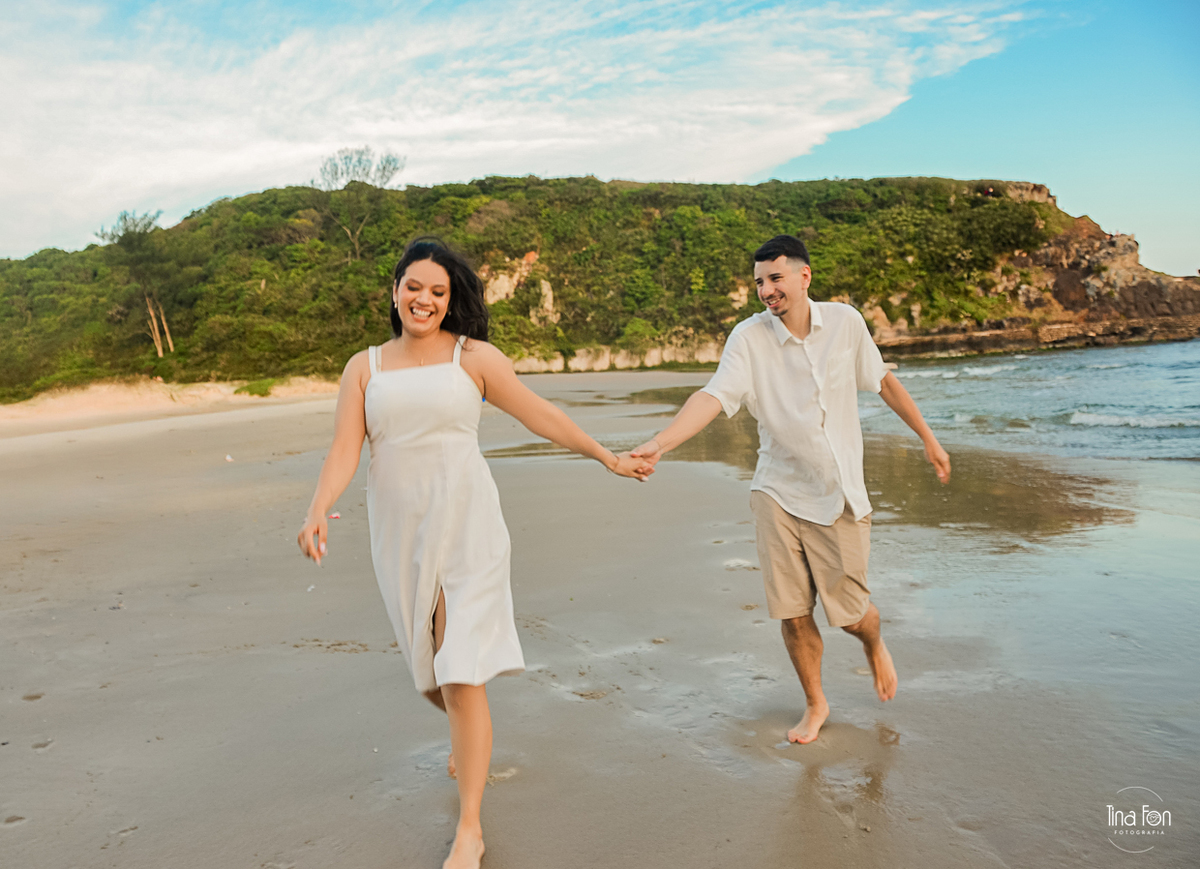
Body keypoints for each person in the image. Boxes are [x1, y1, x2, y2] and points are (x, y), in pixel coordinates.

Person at [297, 238, 648, 869]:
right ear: (395, 290)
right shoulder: (364, 367)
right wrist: (318, 506)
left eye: (437, 291)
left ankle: (470, 829)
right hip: (399, 531)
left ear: (451, 298)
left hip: (469, 525)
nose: (423, 300)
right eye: (413, 287)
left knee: (460, 670)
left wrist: (606, 455)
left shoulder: (474, 357)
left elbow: (540, 414)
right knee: (431, 673)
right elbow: (345, 449)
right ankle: (467, 730)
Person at [630, 234, 951, 745]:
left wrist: (929, 440)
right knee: (793, 611)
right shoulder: (748, 338)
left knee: (850, 616)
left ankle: (873, 643)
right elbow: (714, 395)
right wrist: (661, 443)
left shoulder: (845, 323)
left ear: (804, 276)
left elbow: (884, 381)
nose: (766, 291)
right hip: (776, 490)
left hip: (839, 491)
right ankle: (816, 702)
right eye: (759, 282)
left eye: (775, 279)